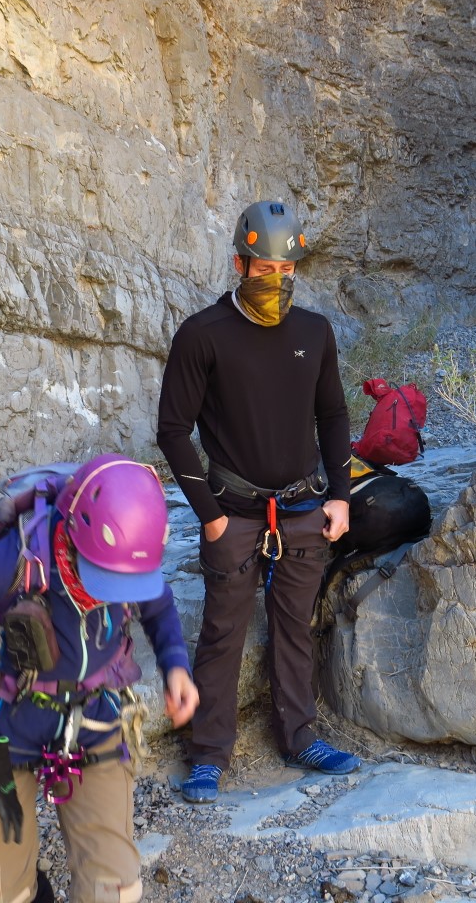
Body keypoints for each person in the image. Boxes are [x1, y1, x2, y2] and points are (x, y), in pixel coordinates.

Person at [0, 454, 198, 903]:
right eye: (100, 579)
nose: (106, 595)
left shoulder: (128, 557)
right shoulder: (9, 564)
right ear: (72, 536)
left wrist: (176, 664)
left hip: (96, 723)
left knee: (116, 892)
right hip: (0, 735)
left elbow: (157, 602)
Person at [156, 200, 358, 805]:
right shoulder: (202, 335)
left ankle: (299, 737)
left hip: (302, 506)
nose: (276, 278)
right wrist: (210, 515)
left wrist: (341, 497)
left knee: (295, 626)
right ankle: (208, 754)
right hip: (235, 511)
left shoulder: (314, 332)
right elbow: (173, 429)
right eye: (263, 267)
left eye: (286, 267)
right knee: (224, 630)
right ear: (241, 263)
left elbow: (333, 413)